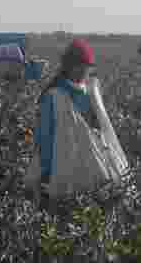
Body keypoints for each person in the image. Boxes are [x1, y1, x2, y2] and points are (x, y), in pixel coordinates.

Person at [26, 38, 130, 207]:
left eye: (86, 67)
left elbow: (102, 132)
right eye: (79, 67)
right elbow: (45, 138)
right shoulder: (53, 96)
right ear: (68, 66)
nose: (82, 72)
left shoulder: (89, 93)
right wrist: (46, 171)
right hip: (61, 169)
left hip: (92, 169)